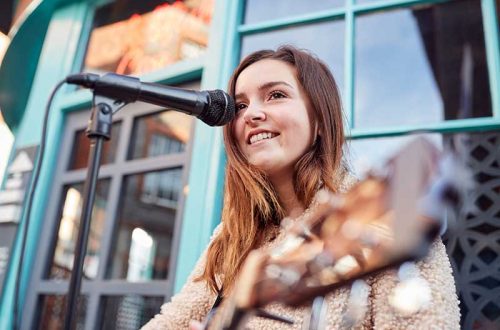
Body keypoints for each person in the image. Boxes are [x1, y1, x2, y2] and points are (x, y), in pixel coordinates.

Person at [142, 46, 460, 329]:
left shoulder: (382, 215)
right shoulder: (231, 236)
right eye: (239, 106)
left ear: (320, 120)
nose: (251, 113)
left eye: (276, 95)